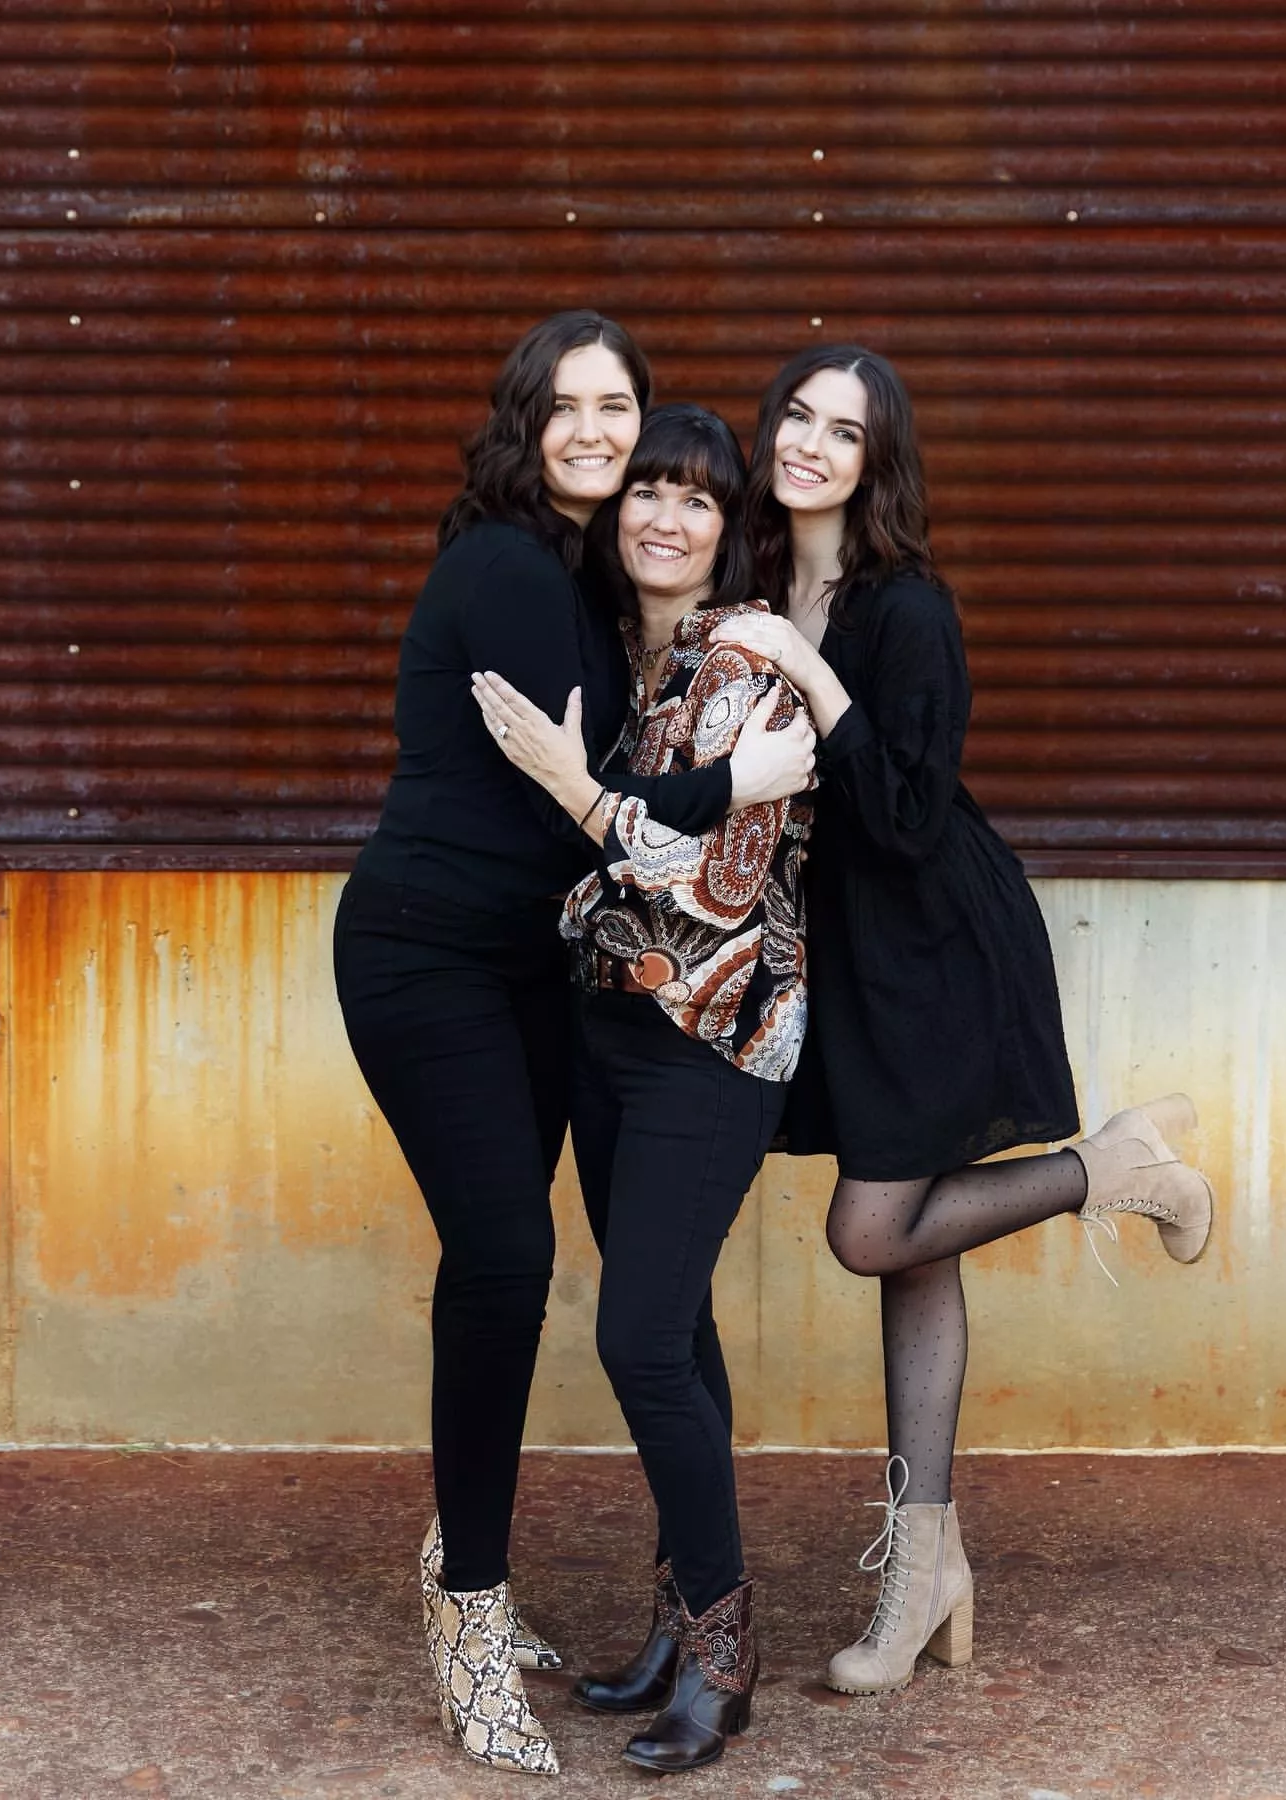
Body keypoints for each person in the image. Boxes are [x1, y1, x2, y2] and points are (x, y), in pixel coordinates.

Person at [333, 317, 814, 1778]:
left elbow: (611, 800)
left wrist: (790, 716)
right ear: (526, 420)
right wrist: (746, 776)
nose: (601, 433)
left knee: (609, 1293)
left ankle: (670, 1613)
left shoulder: (607, 587)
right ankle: (469, 1609)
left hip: (552, 976)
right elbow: (592, 794)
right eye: (572, 406)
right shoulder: (505, 565)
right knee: (505, 1263)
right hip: (430, 960)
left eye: (624, 408)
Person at [710, 345, 1216, 1698]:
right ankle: (925, 1568)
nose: (812, 442)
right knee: (916, 1255)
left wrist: (809, 678)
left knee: (872, 1231)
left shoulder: (906, 610)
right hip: (844, 966)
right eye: (800, 415)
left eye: (846, 432)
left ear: (880, 464)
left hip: (934, 953)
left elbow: (907, 818)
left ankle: (1106, 1171)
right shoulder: (756, 583)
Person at [472, 404, 813, 1773]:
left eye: (697, 500)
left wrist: (578, 792)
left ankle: (727, 1656)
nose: (665, 518)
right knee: (682, 1339)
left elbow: (708, 881)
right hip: (612, 1038)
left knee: (638, 1342)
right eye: (647, 497)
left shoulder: (750, 664)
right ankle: (679, 1623)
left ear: (732, 530)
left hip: (712, 1048)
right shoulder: (633, 658)